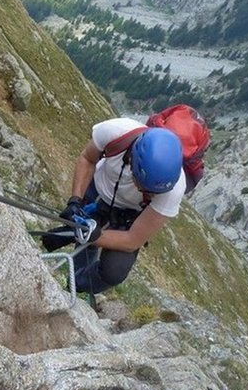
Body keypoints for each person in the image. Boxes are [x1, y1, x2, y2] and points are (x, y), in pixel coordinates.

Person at [43, 117, 185, 294]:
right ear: (132, 159)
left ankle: (76, 286)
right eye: (140, 183)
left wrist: (94, 236)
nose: (141, 189)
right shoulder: (116, 132)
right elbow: (88, 159)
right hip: (99, 190)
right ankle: (65, 246)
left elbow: (132, 241)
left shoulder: (172, 190)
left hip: (129, 216)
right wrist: (75, 200)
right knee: (74, 230)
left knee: (114, 270)